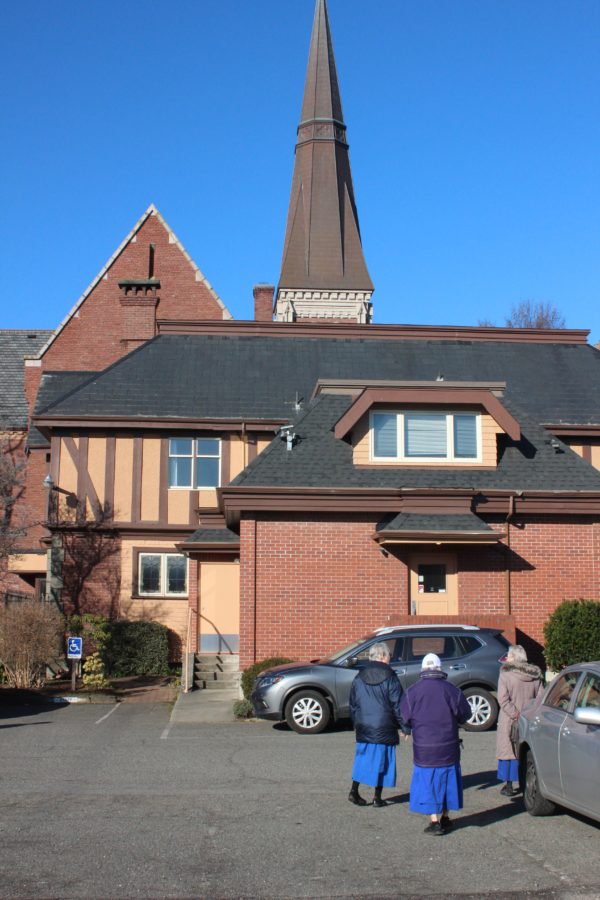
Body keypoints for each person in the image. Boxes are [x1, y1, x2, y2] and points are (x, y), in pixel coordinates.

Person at [400, 652, 471, 835]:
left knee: (428, 782)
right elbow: (465, 714)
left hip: (424, 749)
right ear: (440, 668)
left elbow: (405, 717)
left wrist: (408, 728)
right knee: (448, 781)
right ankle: (446, 817)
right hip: (449, 746)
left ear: (423, 669)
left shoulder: (413, 692)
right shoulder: (452, 690)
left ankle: (434, 820)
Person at [348, 641, 411, 807]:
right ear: (382, 656)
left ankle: (354, 790)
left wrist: (356, 722)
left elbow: (353, 704)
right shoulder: (390, 676)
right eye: (388, 654)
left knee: (362, 759)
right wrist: (404, 726)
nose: (390, 657)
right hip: (384, 726)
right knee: (383, 761)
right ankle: (377, 797)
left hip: (364, 725)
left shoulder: (359, 676)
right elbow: (398, 704)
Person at [496, 644, 543, 797]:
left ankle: (508, 785)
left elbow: (503, 699)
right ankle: (527, 784)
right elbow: (541, 698)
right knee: (527, 750)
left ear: (514, 657)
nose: (506, 658)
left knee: (508, 750)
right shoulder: (535, 675)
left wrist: (515, 714)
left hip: (510, 718)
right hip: (529, 717)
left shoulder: (506, 675)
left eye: (509, 655)